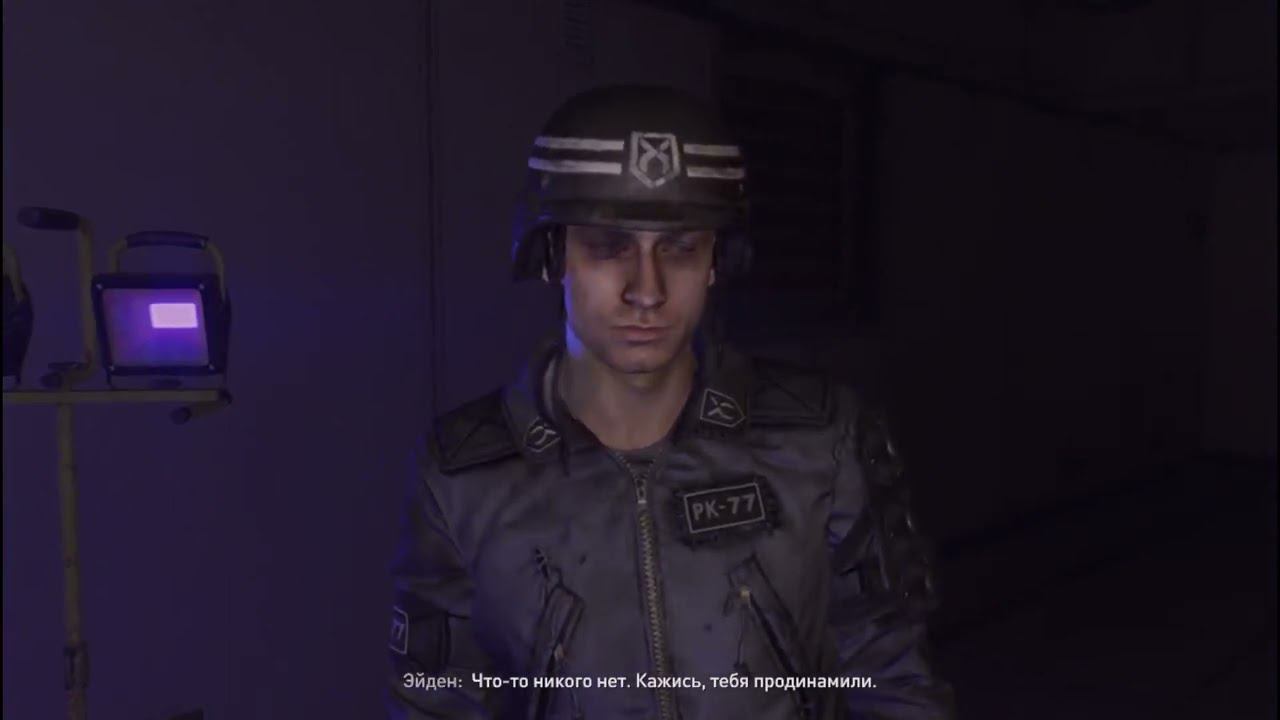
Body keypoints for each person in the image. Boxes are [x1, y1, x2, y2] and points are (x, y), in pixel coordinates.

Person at [386, 84, 957, 720]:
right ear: (552, 256)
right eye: (609, 246)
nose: (647, 290)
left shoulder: (820, 443)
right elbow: (438, 702)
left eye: (680, 248)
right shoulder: (465, 477)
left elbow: (891, 677)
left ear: (716, 261)